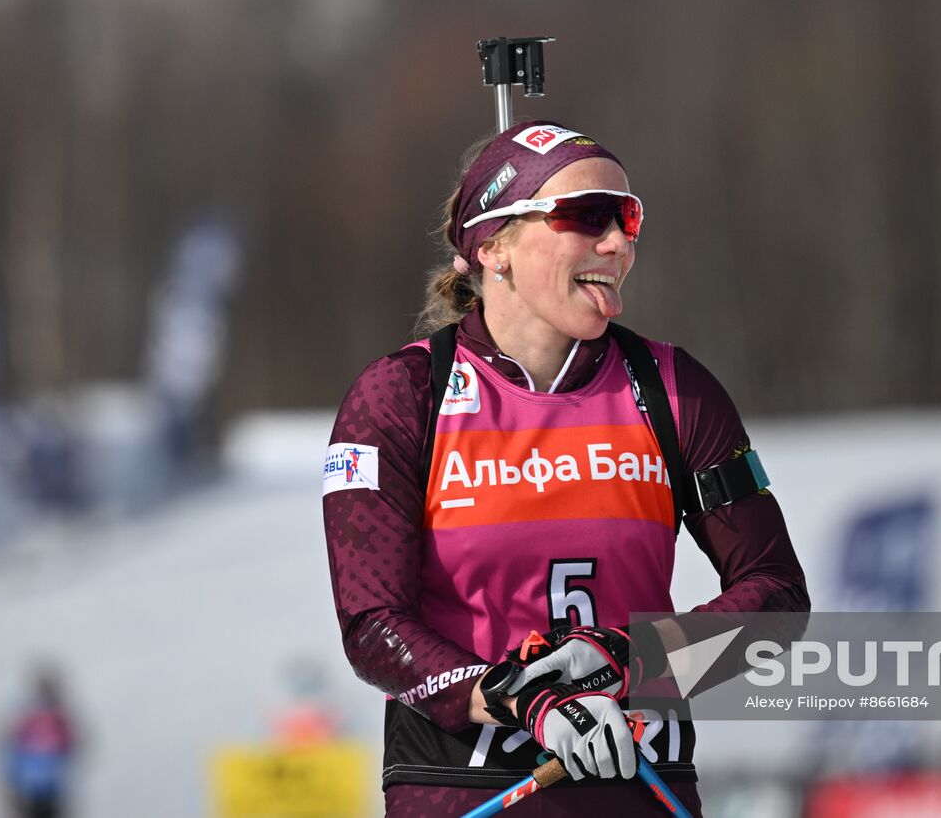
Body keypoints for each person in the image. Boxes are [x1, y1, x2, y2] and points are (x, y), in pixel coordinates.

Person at [322, 119, 809, 816]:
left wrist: (631, 657)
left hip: (642, 790)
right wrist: (522, 697)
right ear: (493, 245)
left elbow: (778, 601)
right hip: (467, 792)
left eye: (627, 216)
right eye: (586, 217)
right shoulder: (402, 397)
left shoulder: (674, 390)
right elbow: (373, 623)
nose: (617, 243)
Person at [0, 665, 80, 818]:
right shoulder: (46, 717)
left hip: (44, 786)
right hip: (36, 786)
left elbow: (70, 748)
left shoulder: (53, 717)